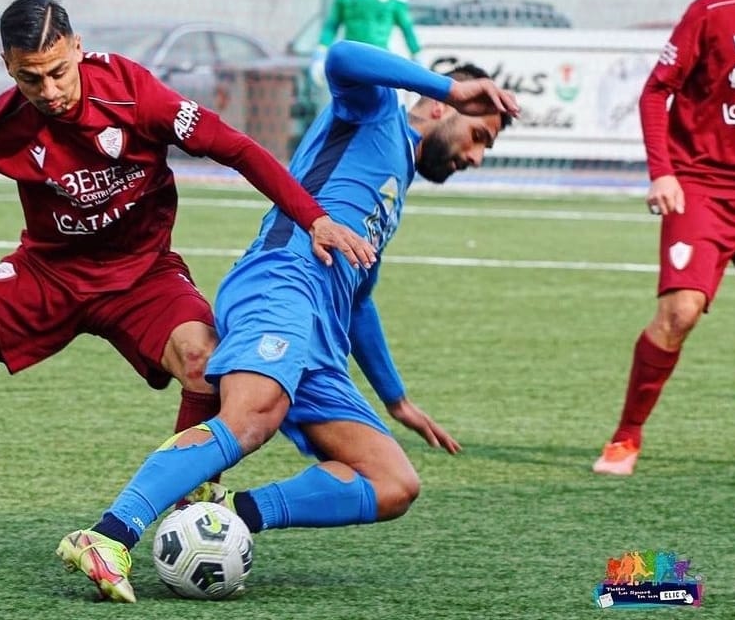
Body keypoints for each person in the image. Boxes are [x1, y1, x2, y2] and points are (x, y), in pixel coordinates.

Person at [0, 0, 376, 559]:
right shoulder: (0, 125)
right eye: (29, 77)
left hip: (143, 277)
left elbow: (240, 148)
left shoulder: (137, 95)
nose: (49, 89)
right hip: (47, 274)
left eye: (59, 71)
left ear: (77, 47)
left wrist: (314, 219)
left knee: (203, 360)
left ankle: (189, 503)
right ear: (7, 67)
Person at [56, 39, 518, 603]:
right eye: (480, 137)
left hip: (322, 331)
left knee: (394, 483)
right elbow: (343, 57)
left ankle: (231, 512)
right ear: (444, 109)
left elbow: (360, 301)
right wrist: (448, 83)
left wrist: (396, 400)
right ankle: (108, 535)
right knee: (251, 418)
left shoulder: (398, 179)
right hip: (281, 283)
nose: (476, 157)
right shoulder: (374, 113)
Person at [592, 0, 735, 476]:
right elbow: (656, 91)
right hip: (701, 185)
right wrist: (663, 171)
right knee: (680, 313)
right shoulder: (713, 11)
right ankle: (626, 436)